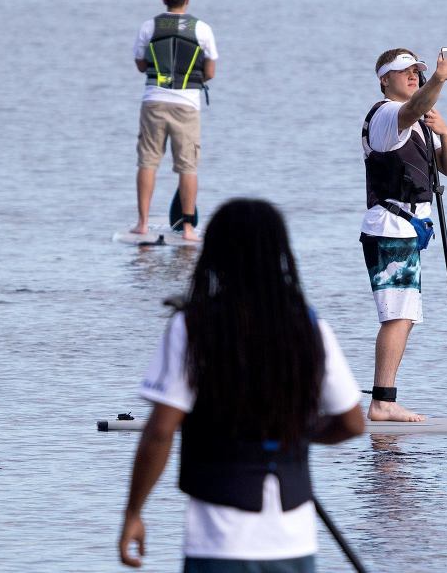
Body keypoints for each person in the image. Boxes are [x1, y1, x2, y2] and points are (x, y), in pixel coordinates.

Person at [119, 199, 365, 572]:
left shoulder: (192, 327)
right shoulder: (311, 328)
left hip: (219, 540)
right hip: (294, 538)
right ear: (281, 254)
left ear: (214, 254)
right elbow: (352, 424)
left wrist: (133, 512)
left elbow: (160, 431)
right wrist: (293, 433)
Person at [359, 48, 447, 423]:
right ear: (384, 79)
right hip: (389, 230)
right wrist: (439, 80)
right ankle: (383, 402)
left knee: (404, 315)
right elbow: (409, 110)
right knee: (398, 316)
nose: (413, 76)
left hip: (408, 232)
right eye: (404, 71)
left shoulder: (422, 121)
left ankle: (383, 399)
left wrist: (446, 134)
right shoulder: (388, 114)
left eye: (417, 72)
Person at [131, 0, 218, 241]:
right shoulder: (202, 29)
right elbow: (211, 72)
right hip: (187, 104)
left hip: (154, 101)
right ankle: (189, 229)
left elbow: (140, 64)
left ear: (163, 0)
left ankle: (142, 224)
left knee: (148, 162)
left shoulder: (149, 26)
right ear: (187, 1)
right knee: (188, 166)